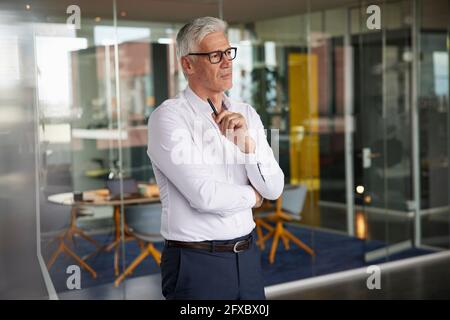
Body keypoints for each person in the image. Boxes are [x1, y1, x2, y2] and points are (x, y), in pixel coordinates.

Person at [147, 16, 284, 300]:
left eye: (228, 52)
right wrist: (253, 198)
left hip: (247, 259)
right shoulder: (169, 117)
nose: (227, 62)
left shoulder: (246, 113)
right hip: (197, 264)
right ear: (188, 64)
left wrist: (248, 147)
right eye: (214, 55)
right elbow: (205, 196)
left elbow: (273, 188)